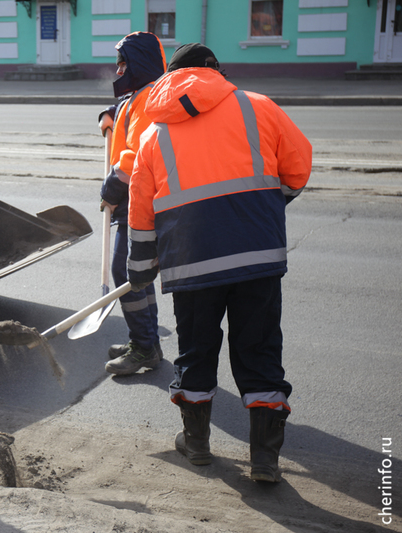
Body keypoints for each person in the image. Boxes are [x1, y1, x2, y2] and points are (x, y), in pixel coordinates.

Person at [127, 43, 312, 482]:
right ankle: (264, 459)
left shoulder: (153, 134)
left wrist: (140, 267)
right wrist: (264, 207)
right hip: (256, 257)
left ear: (170, 79)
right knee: (259, 350)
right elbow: (298, 169)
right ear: (216, 71)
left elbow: (141, 210)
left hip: (190, 265)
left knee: (195, 351)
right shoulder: (259, 107)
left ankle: (196, 444)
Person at [96, 32, 166, 376]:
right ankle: (147, 342)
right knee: (137, 274)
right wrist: (109, 114)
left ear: (139, 64)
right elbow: (126, 111)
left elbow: (135, 154)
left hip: (137, 199)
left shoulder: (150, 95)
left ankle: (143, 347)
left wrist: (111, 189)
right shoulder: (139, 95)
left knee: (124, 272)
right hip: (132, 198)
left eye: (123, 63)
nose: (119, 70)